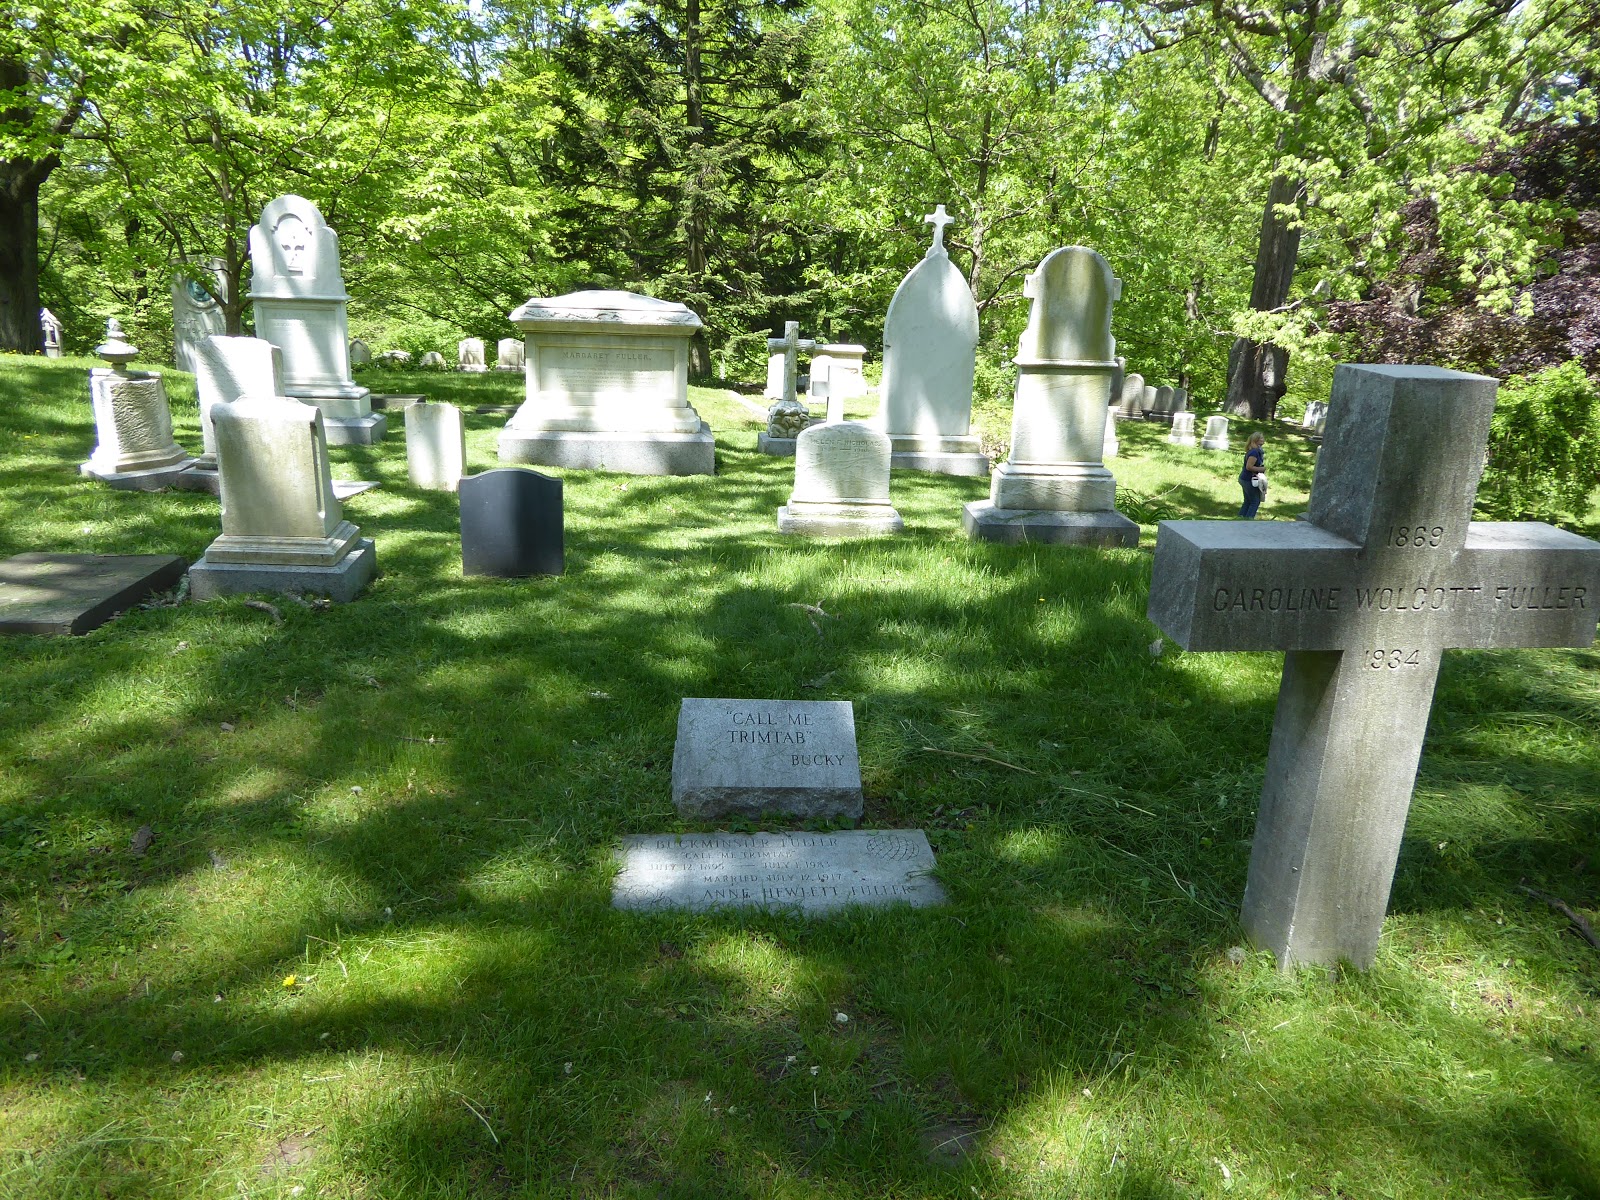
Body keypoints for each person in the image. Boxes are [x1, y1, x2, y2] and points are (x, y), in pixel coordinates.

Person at [1238, 431, 1266, 519]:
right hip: (1248, 480)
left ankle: (1240, 518)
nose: (1263, 440)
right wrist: (1261, 469)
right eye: (1261, 438)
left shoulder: (1256, 451)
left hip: (1245, 478)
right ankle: (1248, 520)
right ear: (1256, 440)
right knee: (1255, 501)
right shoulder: (1254, 452)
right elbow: (1249, 467)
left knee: (1247, 501)